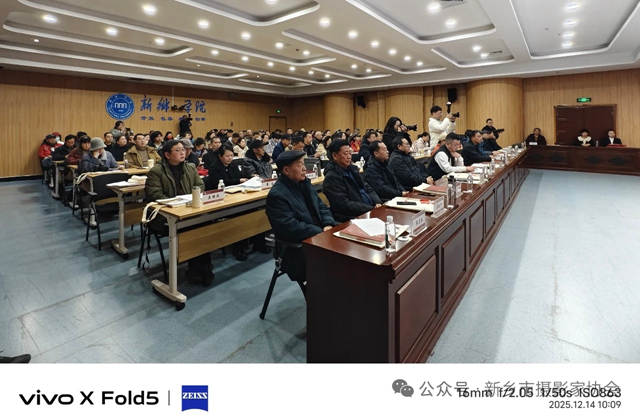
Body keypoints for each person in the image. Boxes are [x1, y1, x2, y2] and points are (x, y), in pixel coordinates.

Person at [145, 140, 213, 284]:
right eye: (177, 150)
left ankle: (202, 268)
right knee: (194, 228)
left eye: (183, 149)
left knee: (206, 224)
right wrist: (178, 204)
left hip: (188, 210)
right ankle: (198, 270)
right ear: (167, 154)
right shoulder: (156, 171)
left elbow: (200, 185)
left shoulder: (190, 167)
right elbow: (155, 195)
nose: (183, 152)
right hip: (164, 215)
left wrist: (191, 198)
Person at [265, 150, 336, 284]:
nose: (304, 168)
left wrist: (328, 224)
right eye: (299, 165)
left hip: (319, 237)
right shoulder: (277, 195)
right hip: (297, 248)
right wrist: (320, 232)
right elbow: (290, 227)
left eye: (303, 164)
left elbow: (321, 206)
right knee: (340, 264)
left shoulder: (304, 184)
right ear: (286, 170)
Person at [322, 140, 381, 223]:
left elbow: (367, 187)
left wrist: (377, 202)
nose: (349, 157)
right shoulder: (332, 178)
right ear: (335, 156)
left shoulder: (353, 169)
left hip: (370, 210)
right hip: (353, 217)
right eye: (345, 153)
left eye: (350, 153)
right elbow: (344, 204)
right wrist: (371, 208)